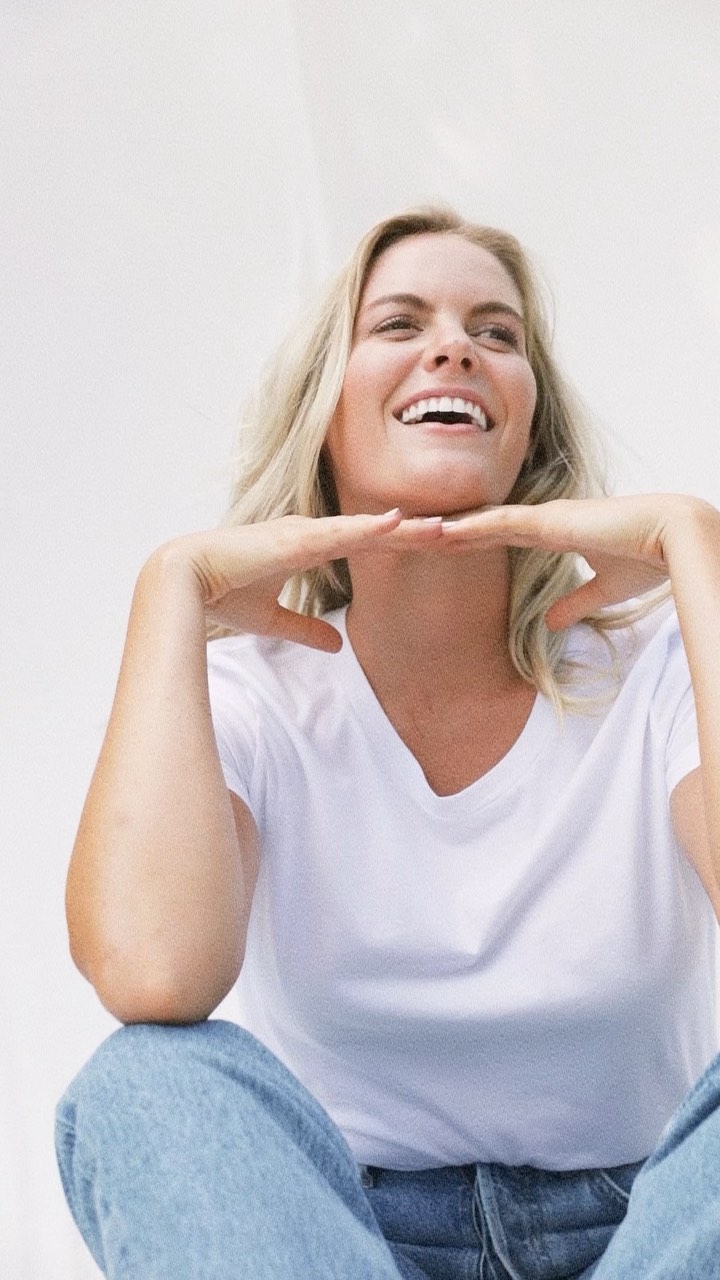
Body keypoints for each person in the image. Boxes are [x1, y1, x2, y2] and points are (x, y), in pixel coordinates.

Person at [56, 208, 720, 1280]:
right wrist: (169, 588)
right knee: (142, 1083)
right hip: (344, 1243)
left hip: (649, 1235)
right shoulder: (252, 698)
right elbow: (153, 972)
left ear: (529, 429)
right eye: (400, 323)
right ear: (325, 412)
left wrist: (700, 550)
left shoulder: (656, 670)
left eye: (496, 333)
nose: (454, 348)